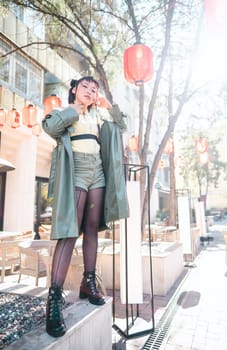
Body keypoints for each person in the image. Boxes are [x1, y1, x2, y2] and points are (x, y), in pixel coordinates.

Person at [42, 76, 129, 338]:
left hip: (98, 172)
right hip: (76, 169)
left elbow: (121, 124)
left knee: (92, 228)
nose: (90, 92)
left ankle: (88, 282)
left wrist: (105, 104)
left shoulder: (99, 115)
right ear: (74, 90)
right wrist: (76, 108)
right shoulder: (65, 111)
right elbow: (51, 128)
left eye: (94, 89)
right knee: (70, 231)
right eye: (85, 88)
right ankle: (54, 299)